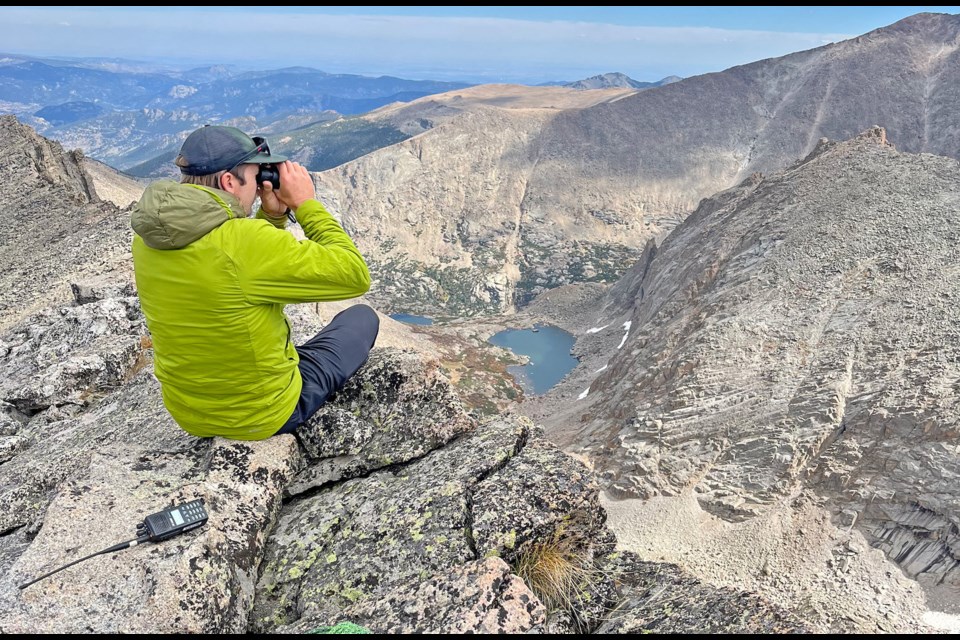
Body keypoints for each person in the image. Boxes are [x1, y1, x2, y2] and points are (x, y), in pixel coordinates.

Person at [130, 125, 379, 440]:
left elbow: (233, 280)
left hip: (189, 413)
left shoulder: (148, 238)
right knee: (361, 318)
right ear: (229, 181)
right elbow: (354, 274)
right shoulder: (242, 242)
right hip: (261, 414)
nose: (260, 185)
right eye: (254, 174)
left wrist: (272, 218)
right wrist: (306, 206)